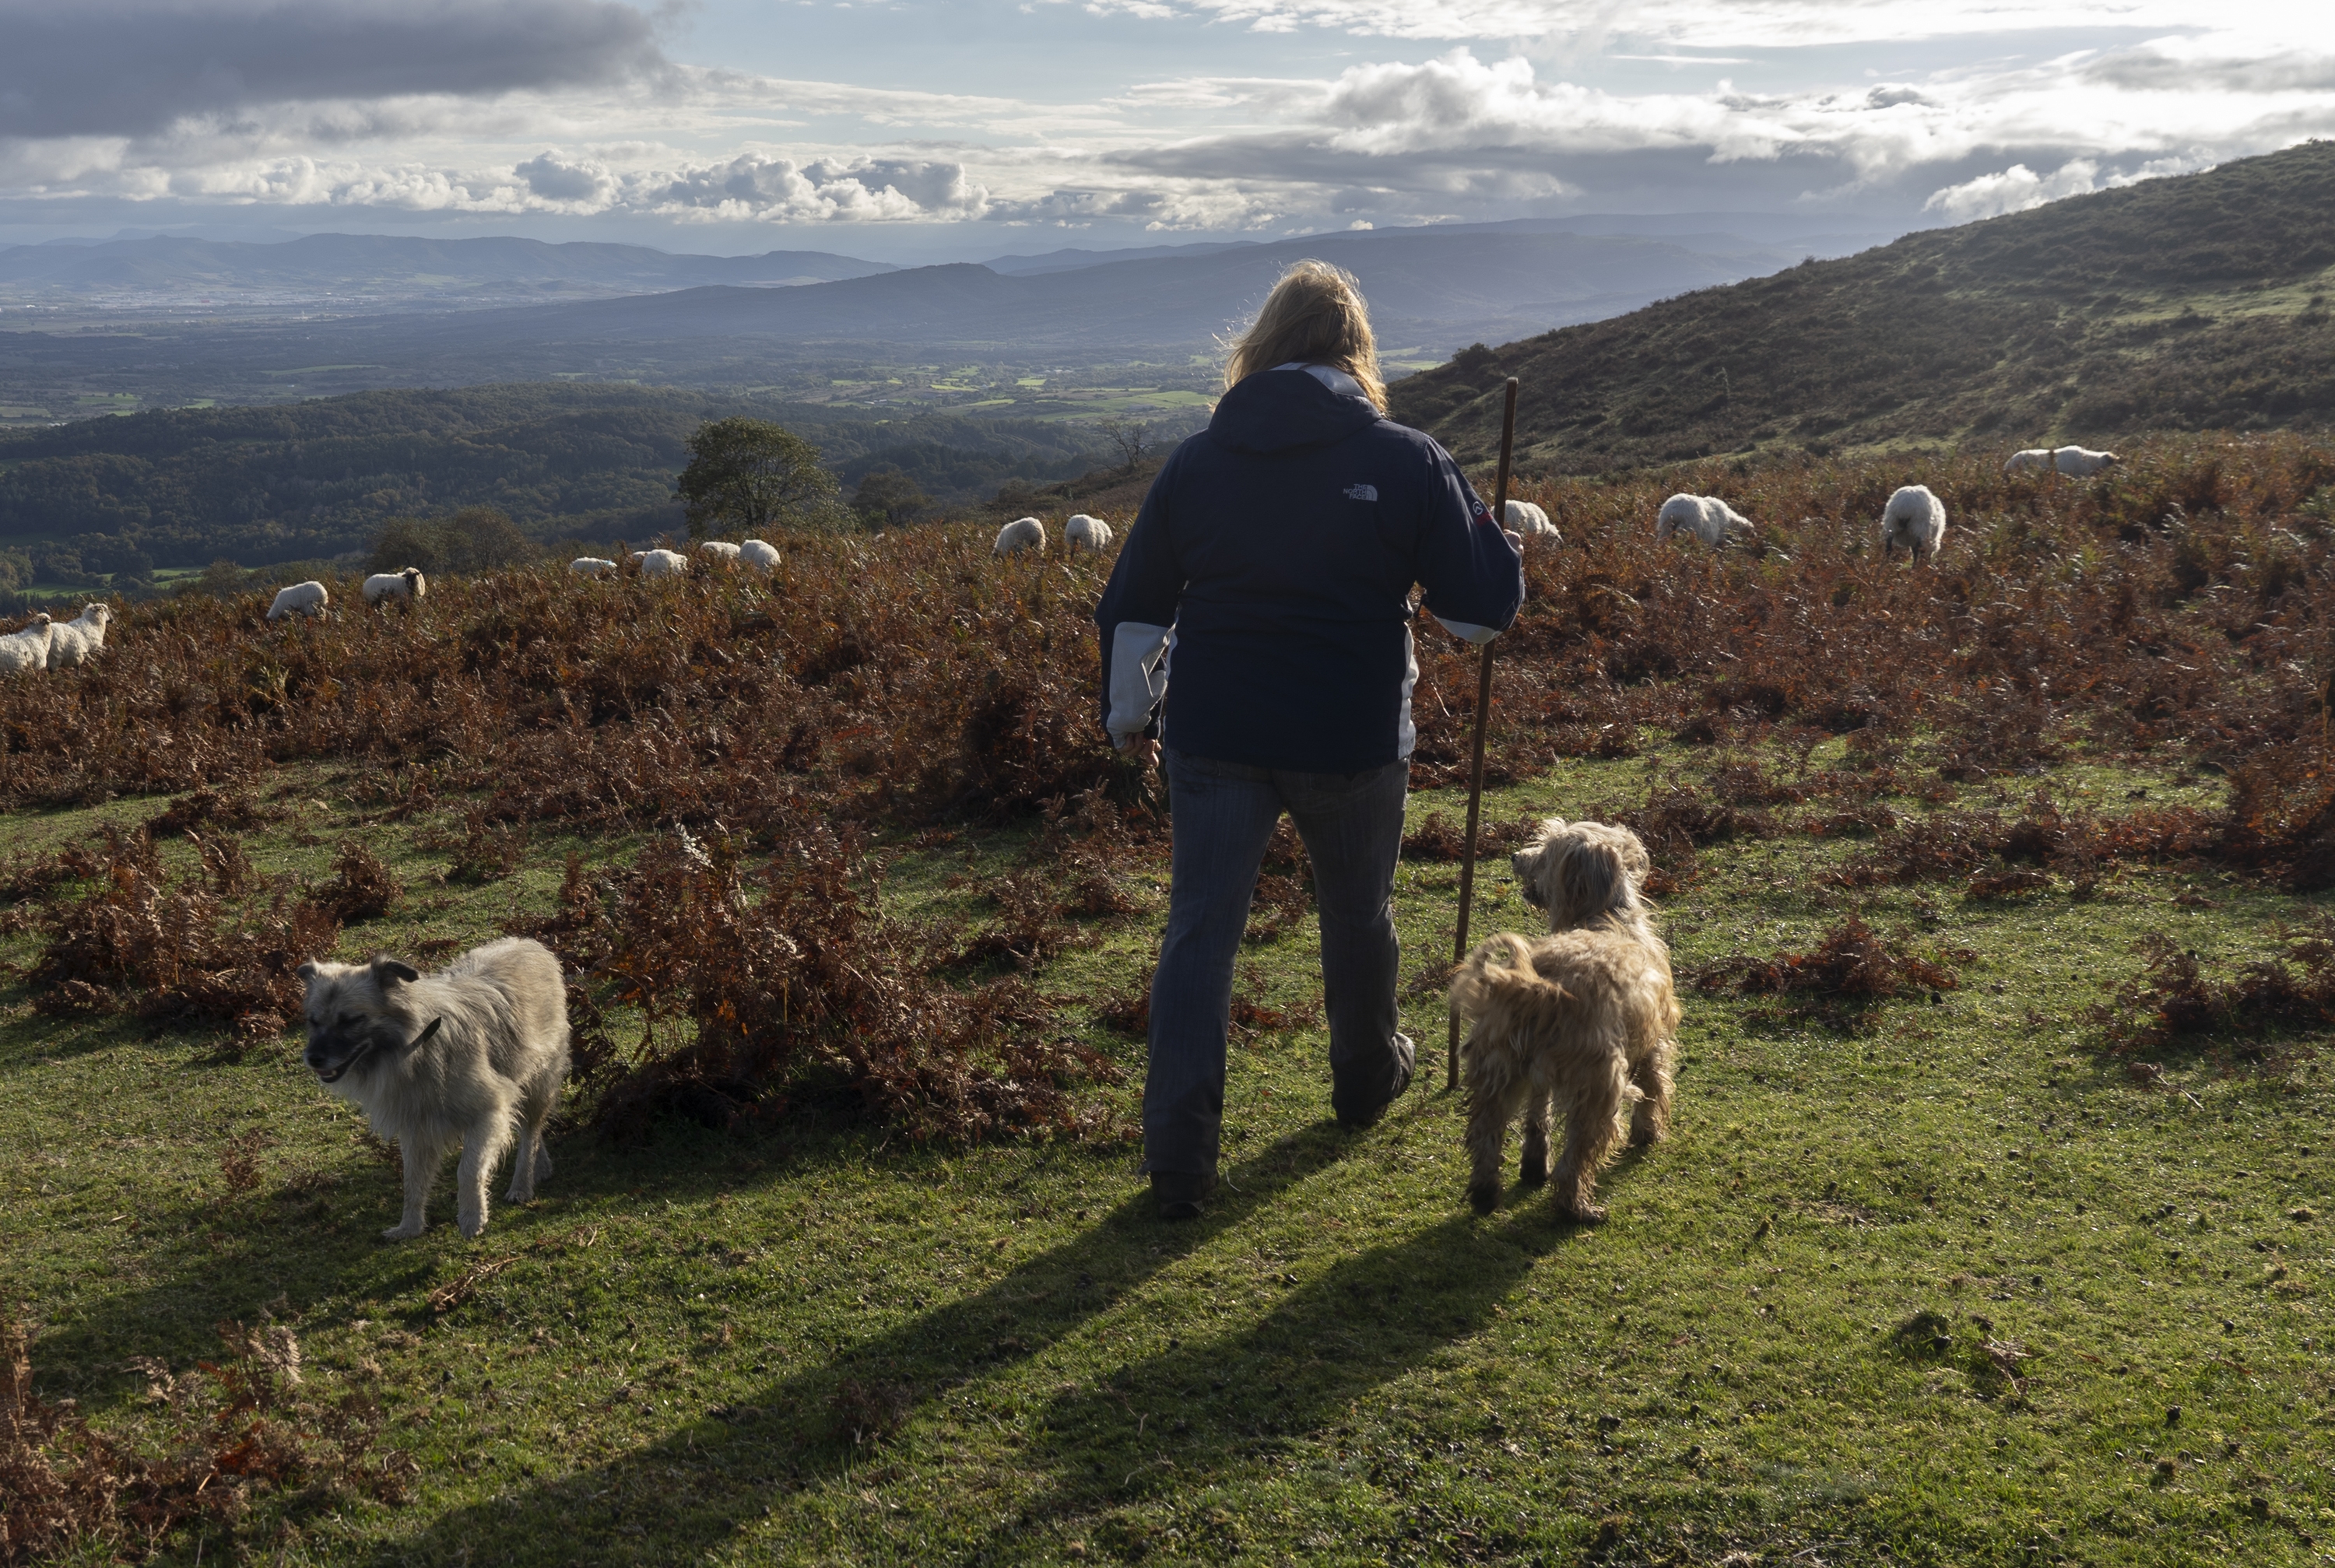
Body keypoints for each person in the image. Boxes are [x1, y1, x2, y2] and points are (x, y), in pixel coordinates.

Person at [1094, 259, 1525, 1220]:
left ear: (1263, 347)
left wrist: (1129, 718)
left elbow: (1132, 608)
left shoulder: (1198, 462)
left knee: (1200, 929)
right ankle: (1367, 1079)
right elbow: (1481, 612)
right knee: (1358, 913)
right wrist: (1496, 540)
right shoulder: (1407, 458)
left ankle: (1178, 1155)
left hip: (1215, 732)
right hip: (1352, 733)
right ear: (1354, 351)